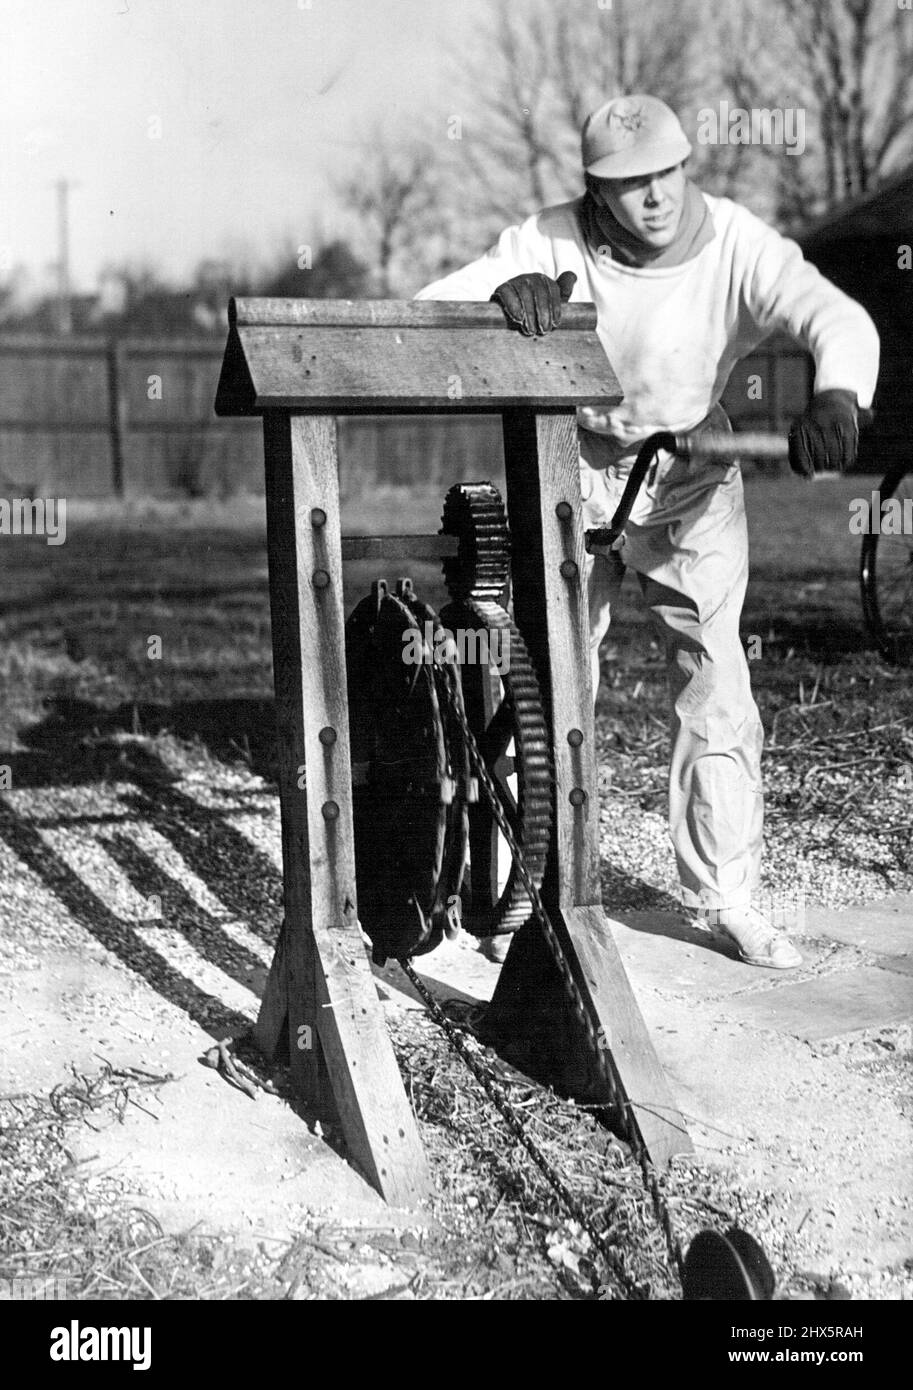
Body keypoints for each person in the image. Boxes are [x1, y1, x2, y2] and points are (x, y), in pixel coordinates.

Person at [415, 94, 879, 969]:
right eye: (630, 186)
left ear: (685, 168)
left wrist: (836, 393)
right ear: (595, 192)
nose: (655, 199)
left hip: (689, 474)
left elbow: (835, 317)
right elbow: (430, 309)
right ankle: (521, 885)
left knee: (714, 678)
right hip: (573, 468)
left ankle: (726, 894)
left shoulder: (738, 243)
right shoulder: (549, 239)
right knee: (550, 673)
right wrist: (492, 305)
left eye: (666, 174)